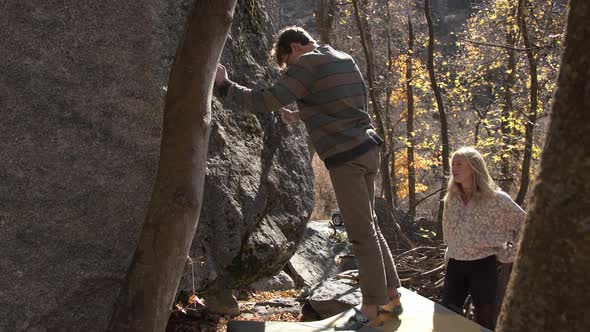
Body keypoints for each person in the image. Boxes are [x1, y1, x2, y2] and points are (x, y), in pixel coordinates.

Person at [214, 26, 402, 330]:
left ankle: (371, 307)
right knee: (371, 225)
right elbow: (342, 103)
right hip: (368, 149)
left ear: (293, 48)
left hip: (346, 157)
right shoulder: (342, 57)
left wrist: (224, 86)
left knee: (359, 233)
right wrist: (301, 114)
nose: (290, 69)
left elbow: (266, 100)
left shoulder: (306, 63)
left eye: (287, 63)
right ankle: (391, 292)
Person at [441, 147, 526, 329]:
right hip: (455, 265)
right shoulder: (451, 199)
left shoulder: (496, 199)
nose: (454, 168)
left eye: (459, 164)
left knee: (484, 321)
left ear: (474, 167)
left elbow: (526, 224)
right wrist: (449, 253)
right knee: (446, 320)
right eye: (452, 164)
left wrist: (510, 253)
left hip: (483, 265)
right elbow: (449, 234)